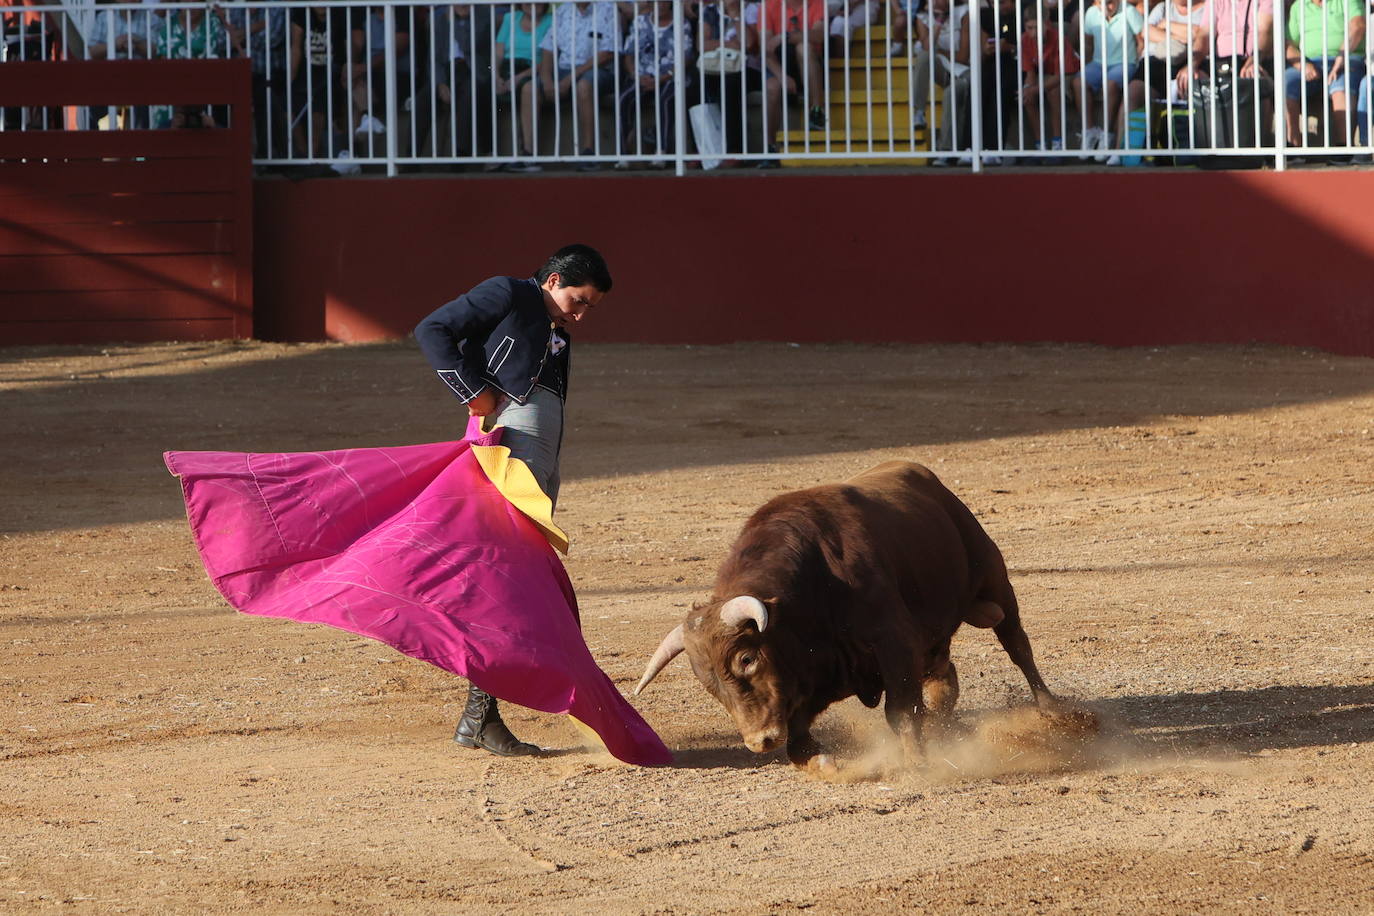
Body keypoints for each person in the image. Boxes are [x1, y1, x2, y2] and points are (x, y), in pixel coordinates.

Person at [412, 244, 613, 758]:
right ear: (553, 280)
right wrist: (472, 392)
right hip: (510, 448)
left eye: (589, 307)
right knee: (506, 576)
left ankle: (479, 716)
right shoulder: (507, 292)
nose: (580, 314)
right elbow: (432, 329)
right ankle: (479, 717)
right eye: (578, 300)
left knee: (516, 577)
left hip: (540, 456)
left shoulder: (554, 326)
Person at [530, 1, 622, 168]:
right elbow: (548, 48)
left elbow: (607, 54)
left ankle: (589, 153)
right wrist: (546, 79)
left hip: (597, 70)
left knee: (584, 86)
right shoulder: (563, 10)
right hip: (564, 69)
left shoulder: (608, 10)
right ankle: (528, 155)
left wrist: (570, 78)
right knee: (529, 89)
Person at [1282, 0, 1365, 148]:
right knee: (1285, 83)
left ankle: (1343, 147)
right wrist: (1303, 65)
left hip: (1347, 58)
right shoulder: (1298, 6)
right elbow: (1287, 44)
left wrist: (1341, 57)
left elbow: (1358, 26)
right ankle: (1292, 147)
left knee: (1341, 85)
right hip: (1311, 62)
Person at [620, 0, 693, 161]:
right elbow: (629, 55)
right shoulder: (640, 21)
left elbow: (686, 58)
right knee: (624, 98)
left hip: (671, 76)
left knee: (665, 100)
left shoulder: (682, 23)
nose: (660, 5)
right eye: (656, 2)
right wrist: (636, 75)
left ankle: (661, 151)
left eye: (664, 2)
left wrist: (662, 78)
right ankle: (624, 154)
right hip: (643, 76)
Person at [1072, 0, 1145, 158]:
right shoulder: (1091, 13)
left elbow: (1141, 41)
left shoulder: (1130, 11)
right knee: (1078, 82)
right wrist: (1087, 66)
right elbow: (1088, 42)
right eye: (1102, 3)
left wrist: (1137, 63)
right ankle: (1089, 132)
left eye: (1110, 2)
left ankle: (1107, 134)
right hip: (1098, 63)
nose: (1106, 6)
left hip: (1125, 62)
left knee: (1110, 84)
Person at [492, 2, 554, 169]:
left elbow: (549, 58)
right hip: (506, 69)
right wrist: (496, 76)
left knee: (529, 89)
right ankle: (490, 154)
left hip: (533, 70)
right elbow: (498, 53)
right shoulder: (509, 18)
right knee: (482, 88)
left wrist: (519, 77)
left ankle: (527, 153)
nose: (532, 3)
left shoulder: (552, 21)